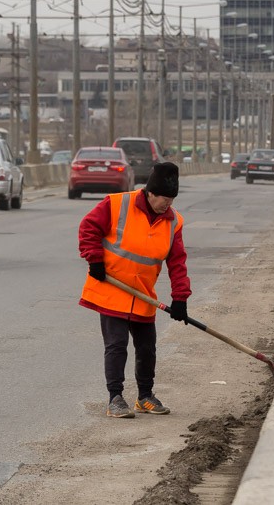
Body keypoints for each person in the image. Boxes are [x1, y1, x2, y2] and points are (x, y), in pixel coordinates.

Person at [77, 161, 192, 418]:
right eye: (164, 199)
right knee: (117, 345)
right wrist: (95, 260)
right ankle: (115, 398)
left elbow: (177, 262)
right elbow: (88, 228)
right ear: (150, 193)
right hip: (112, 289)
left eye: (172, 200)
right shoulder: (118, 204)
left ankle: (145, 397)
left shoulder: (173, 222)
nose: (168, 204)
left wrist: (180, 299)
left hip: (143, 294)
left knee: (147, 348)